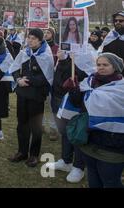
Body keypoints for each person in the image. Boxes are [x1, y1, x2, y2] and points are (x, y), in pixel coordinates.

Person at [64, 53, 124, 188]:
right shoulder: (89, 82)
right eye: (98, 65)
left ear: (115, 67)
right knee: (93, 179)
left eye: (105, 65)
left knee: (110, 182)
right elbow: (79, 105)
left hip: (112, 146)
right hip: (89, 141)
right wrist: (74, 90)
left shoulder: (121, 88)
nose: (101, 68)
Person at [46, 48, 96, 184]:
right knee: (66, 132)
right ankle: (66, 160)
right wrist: (62, 62)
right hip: (66, 104)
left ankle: (78, 167)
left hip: (81, 106)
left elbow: (87, 75)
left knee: (78, 134)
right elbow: (60, 79)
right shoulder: (67, 56)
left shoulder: (86, 52)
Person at [8, 28, 54, 167]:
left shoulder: (46, 55)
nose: (30, 40)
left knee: (35, 126)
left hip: (36, 95)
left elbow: (46, 77)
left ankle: (34, 155)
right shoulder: (24, 52)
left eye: (34, 38)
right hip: (22, 93)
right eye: (29, 37)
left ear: (40, 40)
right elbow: (14, 68)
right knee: (22, 124)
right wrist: (17, 80)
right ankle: (22, 152)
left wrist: (27, 80)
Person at [43, 28, 59, 141]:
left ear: (52, 35)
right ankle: (42, 124)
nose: (45, 34)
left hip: (53, 81)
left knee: (53, 105)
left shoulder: (57, 48)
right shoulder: (39, 47)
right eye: (44, 32)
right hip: (41, 81)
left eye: (48, 32)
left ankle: (54, 128)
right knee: (41, 104)